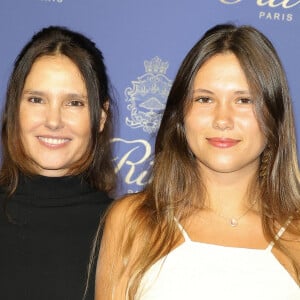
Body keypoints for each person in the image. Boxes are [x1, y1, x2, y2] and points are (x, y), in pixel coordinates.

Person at [95, 24, 300, 299]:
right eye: (205, 99)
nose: (222, 119)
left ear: (274, 116)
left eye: (244, 100)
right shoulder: (133, 221)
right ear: (181, 115)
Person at [0, 26, 116, 300]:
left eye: (74, 103)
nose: (53, 121)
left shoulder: (128, 229)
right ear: (15, 108)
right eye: (37, 99)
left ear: (101, 116)